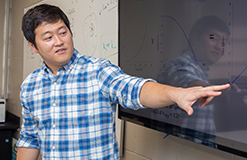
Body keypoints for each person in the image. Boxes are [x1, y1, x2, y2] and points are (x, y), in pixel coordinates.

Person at [16, 4, 230, 160]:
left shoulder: (97, 71)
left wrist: (176, 94)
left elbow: (136, 89)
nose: (59, 41)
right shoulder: (30, 86)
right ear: (33, 46)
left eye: (63, 32)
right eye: (48, 37)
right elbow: (30, 138)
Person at [156, 16, 247, 146]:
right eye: (213, 38)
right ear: (194, 39)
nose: (218, 47)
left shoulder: (201, 72)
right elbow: (191, 87)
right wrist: (226, 94)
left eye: (223, 43)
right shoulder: (178, 65)